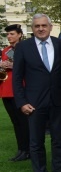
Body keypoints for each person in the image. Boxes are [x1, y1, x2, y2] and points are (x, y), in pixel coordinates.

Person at [12, 14, 61, 172]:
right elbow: (16, 78)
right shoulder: (23, 47)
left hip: (58, 100)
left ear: (51, 27)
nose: (41, 28)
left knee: (58, 140)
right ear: (32, 28)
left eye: (44, 25)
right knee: (36, 142)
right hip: (34, 103)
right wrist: (22, 102)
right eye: (37, 26)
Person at [1, 24, 30, 161]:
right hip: (6, 89)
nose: (9, 36)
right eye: (8, 34)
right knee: (15, 122)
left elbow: (29, 65)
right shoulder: (6, 50)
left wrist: (13, 65)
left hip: (19, 89)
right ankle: (21, 149)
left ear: (19, 34)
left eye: (12, 34)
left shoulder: (25, 48)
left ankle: (27, 149)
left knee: (23, 121)